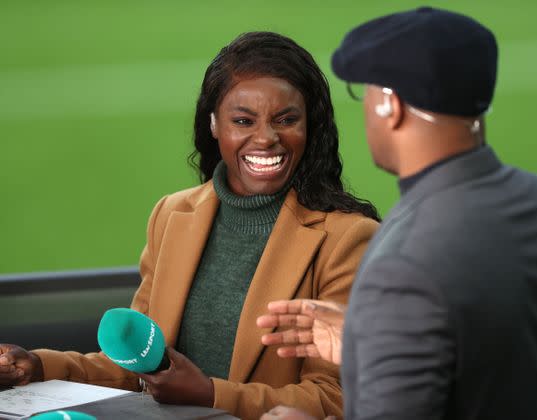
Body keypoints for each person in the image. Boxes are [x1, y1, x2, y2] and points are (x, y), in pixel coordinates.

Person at [0, 31, 380, 420]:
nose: (266, 138)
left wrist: (210, 394)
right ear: (214, 124)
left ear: (309, 125)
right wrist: (39, 366)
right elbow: (138, 367)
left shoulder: (347, 239)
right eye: (243, 120)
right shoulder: (171, 214)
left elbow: (336, 396)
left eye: (286, 120)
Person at [259, 7, 537, 420]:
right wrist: (383, 337)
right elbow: (506, 348)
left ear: (390, 105)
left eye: (365, 92)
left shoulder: (403, 264)